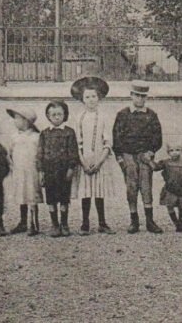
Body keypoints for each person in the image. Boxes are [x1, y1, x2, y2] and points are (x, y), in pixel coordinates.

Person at [112, 80, 164, 234]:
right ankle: (134, 220)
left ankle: (150, 221)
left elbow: (157, 137)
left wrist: (151, 151)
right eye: (137, 95)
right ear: (131, 95)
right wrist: (120, 157)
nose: (140, 99)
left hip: (145, 155)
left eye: (143, 96)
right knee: (131, 187)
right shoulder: (123, 114)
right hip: (128, 155)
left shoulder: (151, 115)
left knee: (146, 186)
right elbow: (117, 137)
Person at [70, 76, 116, 235]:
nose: (91, 100)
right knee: (86, 192)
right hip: (84, 160)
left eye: (93, 96)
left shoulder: (104, 117)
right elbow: (77, 141)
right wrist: (82, 162)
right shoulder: (79, 118)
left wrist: (100, 161)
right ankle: (85, 223)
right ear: (82, 99)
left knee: (98, 192)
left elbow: (108, 141)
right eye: (87, 97)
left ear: (99, 98)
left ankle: (102, 222)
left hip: (99, 159)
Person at [38, 101, 80, 238]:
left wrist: (71, 168)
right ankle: (54, 224)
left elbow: (73, 151)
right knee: (51, 198)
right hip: (49, 171)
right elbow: (40, 153)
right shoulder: (44, 133)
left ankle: (64, 224)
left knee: (64, 198)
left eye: (59, 114)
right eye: (53, 114)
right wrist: (41, 171)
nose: (57, 117)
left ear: (64, 115)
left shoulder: (69, 132)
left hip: (63, 171)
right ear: (48, 116)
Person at [6, 108, 42, 235]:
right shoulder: (14, 137)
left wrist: (41, 170)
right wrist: (12, 166)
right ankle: (23, 222)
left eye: (17, 118)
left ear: (26, 121)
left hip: (32, 172)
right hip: (19, 171)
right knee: (21, 195)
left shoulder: (36, 137)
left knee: (32, 195)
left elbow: (40, 155)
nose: (15, 121)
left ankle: (33, 224)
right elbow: (10, 153)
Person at [153, 144, 182, 232]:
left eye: (177, 150)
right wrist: (149, 160)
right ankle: (176, 222)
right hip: (170, 189)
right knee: (170, 206)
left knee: (181, 206)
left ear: (181, 151)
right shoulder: (166, 163)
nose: (174, 152)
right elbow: (155, 168)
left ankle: (181, 223)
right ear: (168, 153)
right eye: (171, 150)